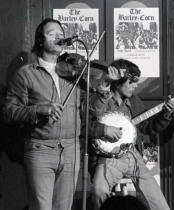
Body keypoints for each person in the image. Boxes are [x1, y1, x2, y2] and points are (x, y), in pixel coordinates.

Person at [1, 18, 109, 210]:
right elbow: (9, 112)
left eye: (61, 33)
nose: (59, 36)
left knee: (64, 208)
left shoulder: (74, 72)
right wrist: (38, 110)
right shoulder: (26, 74)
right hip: (40, 148)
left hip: (71, 148)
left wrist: (105, 83)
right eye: (53, 33)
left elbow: (89, 106)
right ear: (41, 40)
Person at [88, 59, 174, 210]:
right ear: (119, 81)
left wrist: (166, 114)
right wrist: (105, 130)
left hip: (132, 155)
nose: (136, 85)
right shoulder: (100, 99)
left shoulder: (133, 101)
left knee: (159, 204)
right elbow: (88, 124)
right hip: (108, 158)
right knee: (98, 191)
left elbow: (148, 127)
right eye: (132, 81)